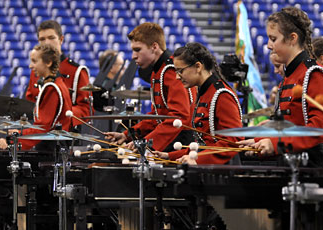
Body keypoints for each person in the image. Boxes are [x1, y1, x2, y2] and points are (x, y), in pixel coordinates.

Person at [238, 7, 323, 165]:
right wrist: (260, 139)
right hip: (293, 160)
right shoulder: (290, 76)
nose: (268, 45)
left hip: (314, 164)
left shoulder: (313, 73)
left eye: (273, 39)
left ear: (292, 38)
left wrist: (277, 144)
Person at [105, 22, 196, 152]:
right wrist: (128, 135)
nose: (133, 56)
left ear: (154, 47)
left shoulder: (171, 70)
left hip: (180, 145)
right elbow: (157, 117)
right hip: (170, 140)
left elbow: (179, 118)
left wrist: (147, 143)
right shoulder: (158, 71)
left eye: (137, 50)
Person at [154, 42, 243, 164]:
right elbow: (203, 144)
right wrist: (169, 156)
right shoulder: (204, 92)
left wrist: (198, 160)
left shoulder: (221, 94)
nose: (177, 77)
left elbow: (233, 141)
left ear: (198, 67)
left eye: (180, 71)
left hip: (223, 171)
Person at [0, 44, 72, 150]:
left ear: (48, 63)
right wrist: (20, 132)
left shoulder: (51, 88)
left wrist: (13, 142)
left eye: (34, 61)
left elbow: (42, 128)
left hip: (50, 150)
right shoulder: (58, 83)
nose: (30, 66)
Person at [24, 20, 91, 129]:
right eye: (42, 39)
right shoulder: (36, 71)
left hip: (67, 134)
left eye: (51, 38)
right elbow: (30, 101)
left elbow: (86, 109)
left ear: (61, 39)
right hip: (39, 131)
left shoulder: (77, 71)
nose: (46, 42)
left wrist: (58, 114)